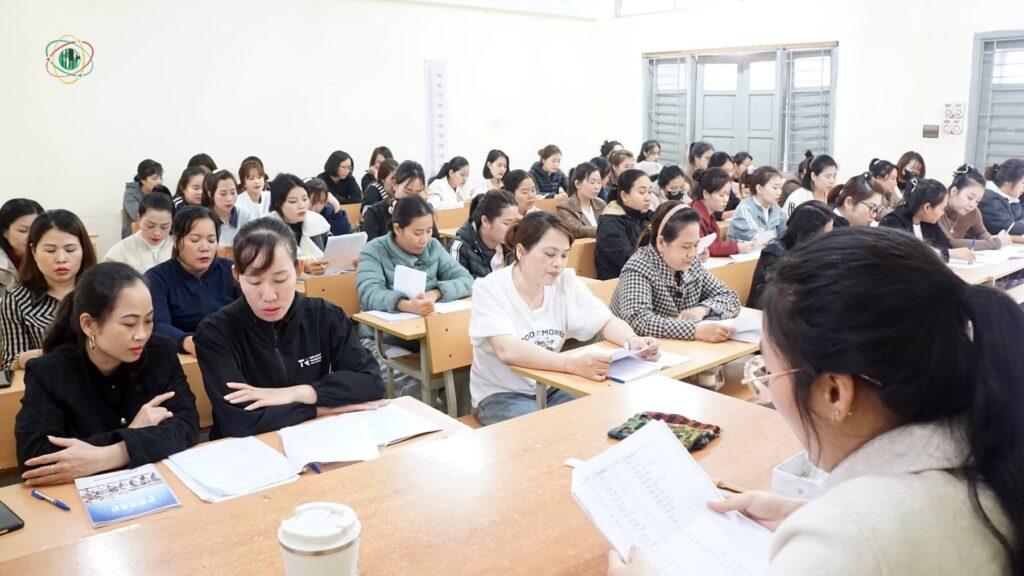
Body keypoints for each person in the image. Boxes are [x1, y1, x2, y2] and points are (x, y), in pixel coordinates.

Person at [609, 227, 1023, 576]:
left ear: (834, 393)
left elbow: (869, 541)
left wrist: (828, 532)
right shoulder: (995, 446)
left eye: (768, 375)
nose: (767, 392)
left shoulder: (847, 542)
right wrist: (809, 514)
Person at [195, 219, 384, 439]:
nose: (269, 296)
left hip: (316, 439)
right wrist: (319, 409)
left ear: (298, 268)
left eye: (280, 279)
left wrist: (299, 392)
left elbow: (370, 381)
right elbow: (239, 420)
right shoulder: (215, 332)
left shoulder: (325, 316)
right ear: (236, 275)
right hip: (248, 452)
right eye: (255, 282)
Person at [15, 262, 199, 482]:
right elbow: (36, 456)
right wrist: (135, 432)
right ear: (89, 325)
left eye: (149, 320)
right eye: (129, 324)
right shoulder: (49, 372)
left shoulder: (160, 352)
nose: (142, 334)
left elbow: (187, 424)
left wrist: (109, 455)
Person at [470, 212, 659, 425]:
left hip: (552, 384)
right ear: (521, 251)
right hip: (502, 395)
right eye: (550, 254)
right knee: (546, 430)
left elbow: (605, 321)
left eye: (564, 255)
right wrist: (570, 364)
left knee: (602, 415)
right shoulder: (490, 288)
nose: (558, 264)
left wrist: (633, 341)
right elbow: (508, 351)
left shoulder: (565, 281)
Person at [357, 196, 473, 398]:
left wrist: (435, 293)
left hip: (428, 336)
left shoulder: (434, 247)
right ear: (397, 229)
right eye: (417, 233)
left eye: (429, 231)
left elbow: (466, 280)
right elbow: (369, 293)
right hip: (384, 341)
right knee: (413, 384)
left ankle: (459, 423)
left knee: (465, 367)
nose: (424, 239)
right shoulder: (374, 250)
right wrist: (406, 305)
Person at [610, 202, 740, 341]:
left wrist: (702, 310)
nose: (692, 253)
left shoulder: (692, 263)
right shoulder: (638, 267)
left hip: (673, 348)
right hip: (627, 352)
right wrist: (694, 330)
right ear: (661, 243)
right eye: (685, 247)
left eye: (696, 245)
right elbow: (638, 320)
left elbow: (730, 296)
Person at [1, 209, 97, 373]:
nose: (61, 258)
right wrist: (23, 359)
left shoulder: (102, 291)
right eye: (50, 250)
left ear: (83, 250)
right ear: (33, 252)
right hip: (51, 387)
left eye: (70, 249)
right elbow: (11, 364)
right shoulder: (15, 301)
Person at [144, 207, 239, 355]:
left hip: (234, 349)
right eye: (195, 240)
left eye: (211, 240)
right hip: (185, 356)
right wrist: (187, 341)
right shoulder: (157, 279)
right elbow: (157, 325)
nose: (205, 247)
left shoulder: (231, 271)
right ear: (176, 241)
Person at [747, 201, 833, 309]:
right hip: (768, 316)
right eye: (825, 233)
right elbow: (772, 300)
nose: (828, 239)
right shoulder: (774, 253)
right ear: (810, 232)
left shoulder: (816, 253)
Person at [880, 178, 962, 262]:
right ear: (927, 207)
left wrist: (943, 252)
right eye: (942, 209)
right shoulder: (893, 222)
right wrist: (947, 253)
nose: (943, 213)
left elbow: (945, 244)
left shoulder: (929, 222)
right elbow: (906, 254)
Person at [596, 169, 654, 280]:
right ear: (624, 196)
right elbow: (630, 260)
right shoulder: (610, 224)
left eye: (650, 192)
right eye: (642, 192)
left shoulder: (651, 216)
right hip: (619, 284)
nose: (648, 197)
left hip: (647, 278)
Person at [267, 173, 331, 269]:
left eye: (305, 199)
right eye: (293, 201)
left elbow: (333, 251)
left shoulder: (318, 221)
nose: (302, 205)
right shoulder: (266, 228)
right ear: (278, 203)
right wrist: (302, 266)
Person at [940, 164, 1010, 250]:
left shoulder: (973, 212)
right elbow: (949, 243)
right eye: (970, 198)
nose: (973, 204)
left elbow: (982, 234)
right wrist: (996, 242)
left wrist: (994, 238)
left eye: (977, 201)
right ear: (954, 191)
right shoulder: (936, 209)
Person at [450, 190, 518, 279]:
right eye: (506, 223)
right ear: (485, 221)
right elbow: (458, 286)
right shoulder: (459, 248)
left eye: (515, 223)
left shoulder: (514, 244)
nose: (512, 229)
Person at [690, 169, 757, 256]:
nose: (726, 199)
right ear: (706, 194)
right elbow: (709, 247)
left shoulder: (709, 212)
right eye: (721, 195)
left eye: (728, 194)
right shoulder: (695, 216)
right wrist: (737, 247)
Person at [104, 192, 174, 273]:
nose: (157, 233)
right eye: (150, 225)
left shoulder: (180, 247)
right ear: (139, 219)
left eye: (164, 227)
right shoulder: (119, 252)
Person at [362, 160, 428, 241]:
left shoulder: (424, 211)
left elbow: (437, 246)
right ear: (395, 185)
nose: (412, 199)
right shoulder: (375, 213)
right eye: (407, 192)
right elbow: (368, 249)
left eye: (417, 193)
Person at [727, 166, 788, 242]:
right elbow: (758, 238)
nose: (779, 192)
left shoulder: (779, 211)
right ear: (759, 189)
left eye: (780, 188)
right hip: (743, 253)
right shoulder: (745, 209)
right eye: (775, 188)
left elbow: (785, 238)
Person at [0, 198, 44, 299]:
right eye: (23, 230)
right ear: (4, 231)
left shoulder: (52, 258)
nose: (31, 237)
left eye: (36, 229)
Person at [201, 169, 259, 246]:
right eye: (223, 194)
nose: (229, 198)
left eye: (233, 192)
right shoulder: (202, 219)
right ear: (210, 194)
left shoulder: (245, 217)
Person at [557, 162, 607, 239]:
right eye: (592, 182)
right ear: (577, 184)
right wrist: (607, 230)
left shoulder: (601, 204)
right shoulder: (565, 207)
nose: (597, 187)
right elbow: (576, 230)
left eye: (599, 182)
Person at [978, 158, 1024, 235]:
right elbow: (1008, 227)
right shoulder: (989, 199)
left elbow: (1020, 217)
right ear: (1008, 181)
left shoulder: (1010, 199)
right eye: (1023, 183)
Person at [122, 159, 165, 239]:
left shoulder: (161, 192)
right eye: (154, 178)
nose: (159, 182)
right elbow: (139, 217)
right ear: (143, 180)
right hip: (134, 237)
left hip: (157, 235)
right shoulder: (130, 193)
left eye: (160, 177)